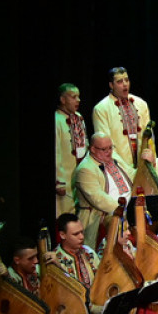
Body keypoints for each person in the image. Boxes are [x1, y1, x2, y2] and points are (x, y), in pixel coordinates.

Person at [72, 132, 136, 249]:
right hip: (103, 217)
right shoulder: (85, 169)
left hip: (127, 209)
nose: (109, 152)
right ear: (92, 149)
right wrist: (125, 211)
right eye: (104, 149)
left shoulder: (113, 156)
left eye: (111, 147)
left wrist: (146, 163)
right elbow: (99, 200)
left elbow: (132, 174)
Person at [91, 66, 151, 167]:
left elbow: (149, 136)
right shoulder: (101, 108)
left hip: (143, 166)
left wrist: (148, 161)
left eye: (127, 80)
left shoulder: (141, 104)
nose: (125, 84)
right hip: (117, 166)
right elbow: (104, 146)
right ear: (111, 85)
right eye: (119, 82)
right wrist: (126, 169)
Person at [55, 83, 88, 216]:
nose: (78, 100)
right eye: (73, 97)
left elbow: (84, 143)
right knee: (65, 214)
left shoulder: (79, 118)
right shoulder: (57, 120)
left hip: (80, 175)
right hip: (66, 179)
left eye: (78, 97)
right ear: (63, 100)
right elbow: (56, 152)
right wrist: (59, 182)